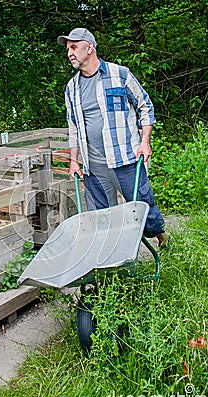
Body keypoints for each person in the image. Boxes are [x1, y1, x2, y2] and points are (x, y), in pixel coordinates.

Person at [57, 27, 168, 247]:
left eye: (74, 47)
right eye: (68, 48)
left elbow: (145, 106)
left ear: (89, 47)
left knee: (142, 208)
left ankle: (161, 235)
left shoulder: (120, 74)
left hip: (125, 158)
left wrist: (145, 142)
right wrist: (74, 161)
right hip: (93, 165)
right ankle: (111, 260)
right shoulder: (72, 88)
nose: (70, 52)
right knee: (101, 217)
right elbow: (74, 128)